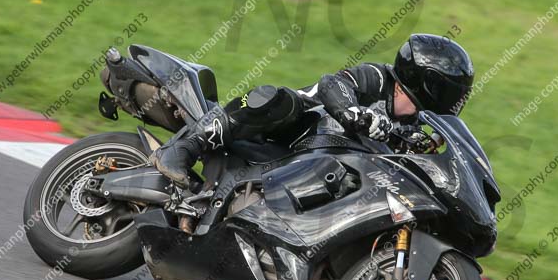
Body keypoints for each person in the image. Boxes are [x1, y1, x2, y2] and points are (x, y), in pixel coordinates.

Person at [150, 34, 475, 186]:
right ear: (430, 82)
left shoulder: (413, 129)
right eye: (452, 91)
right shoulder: (376, 78)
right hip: (288, 134)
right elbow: (332, 85)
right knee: (274, 98)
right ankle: (184, 146)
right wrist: (355, 114)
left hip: (318, 175)